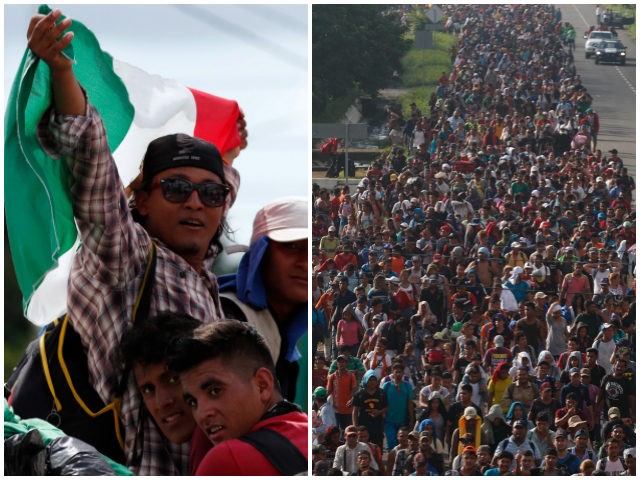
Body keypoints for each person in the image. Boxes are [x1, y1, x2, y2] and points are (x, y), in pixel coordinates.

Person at [26, 9, 246, 475]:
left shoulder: (200, 275)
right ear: (140, 201)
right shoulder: (125, 256)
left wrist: (225, 156)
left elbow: (215, 191)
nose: (195, 204)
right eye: (175, 189)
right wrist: (64, 73)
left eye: (210, 194)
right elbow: (93, 164)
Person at [166, 320, 307, 475]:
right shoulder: (308, 432)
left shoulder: (226, 459)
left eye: (215, 391)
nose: (202, 414)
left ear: (262, 385)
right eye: (193, 402)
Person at [218, 197, 308, 407]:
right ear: (260, 254)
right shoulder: (229, 318)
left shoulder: (287, 338)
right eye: (290, 246)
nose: (304, 262)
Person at [351, 370, 387, 450]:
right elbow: (355, 411)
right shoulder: (359, 394)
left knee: (377, 448)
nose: (372, 382)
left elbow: (386, 407)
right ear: (366, 380)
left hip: (377, 425)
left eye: (374, 380)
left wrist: (379, 412)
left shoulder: (381, 393)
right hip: (363, 425)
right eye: (370, 379)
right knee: (362, 448)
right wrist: (355, 426)